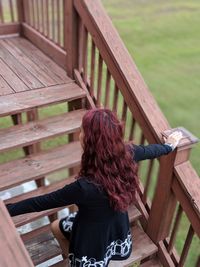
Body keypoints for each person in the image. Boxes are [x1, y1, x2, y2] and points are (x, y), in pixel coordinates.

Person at [6, 108, 182, 267]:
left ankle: (75, 260)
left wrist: (7, 210)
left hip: (91, 242)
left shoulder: (84, 187)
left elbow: (41, 202)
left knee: (57, 228)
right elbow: (151, 151)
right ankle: (70, 257)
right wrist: (169, 146)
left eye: (83, 130)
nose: (80, 133)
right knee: (56, 226)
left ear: (90, 140)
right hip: (116, 226)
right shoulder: (128, 153)